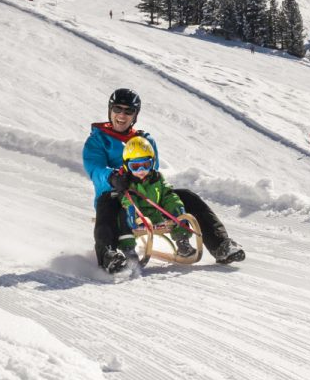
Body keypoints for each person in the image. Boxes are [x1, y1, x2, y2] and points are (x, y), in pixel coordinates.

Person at [83, 88, 245, 272]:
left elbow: (153, 169)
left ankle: (221, 245)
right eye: (117, 109)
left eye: (128, 111)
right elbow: (94, 169)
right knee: (107, 203)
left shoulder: (144, 139)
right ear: (110, 110)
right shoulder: (97, 140)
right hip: (116, 195)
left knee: (187, 196)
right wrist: (113, 177)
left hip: (146, 196)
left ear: (135, 115)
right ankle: (108, 255)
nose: (122, 115)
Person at [103, 136, 199, 259]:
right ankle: (128, 249)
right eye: (135, 166)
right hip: (137, 219)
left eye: (146, 165)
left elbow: (167, 195)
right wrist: (132, 211)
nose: (141, 170)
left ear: (152, 163)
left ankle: (182, 241)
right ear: (127, 166)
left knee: (175, 203)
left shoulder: (157, 179)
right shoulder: (127, 183)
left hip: (156, 215)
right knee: (123, 215)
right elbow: (127, 199)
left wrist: (177, 207)